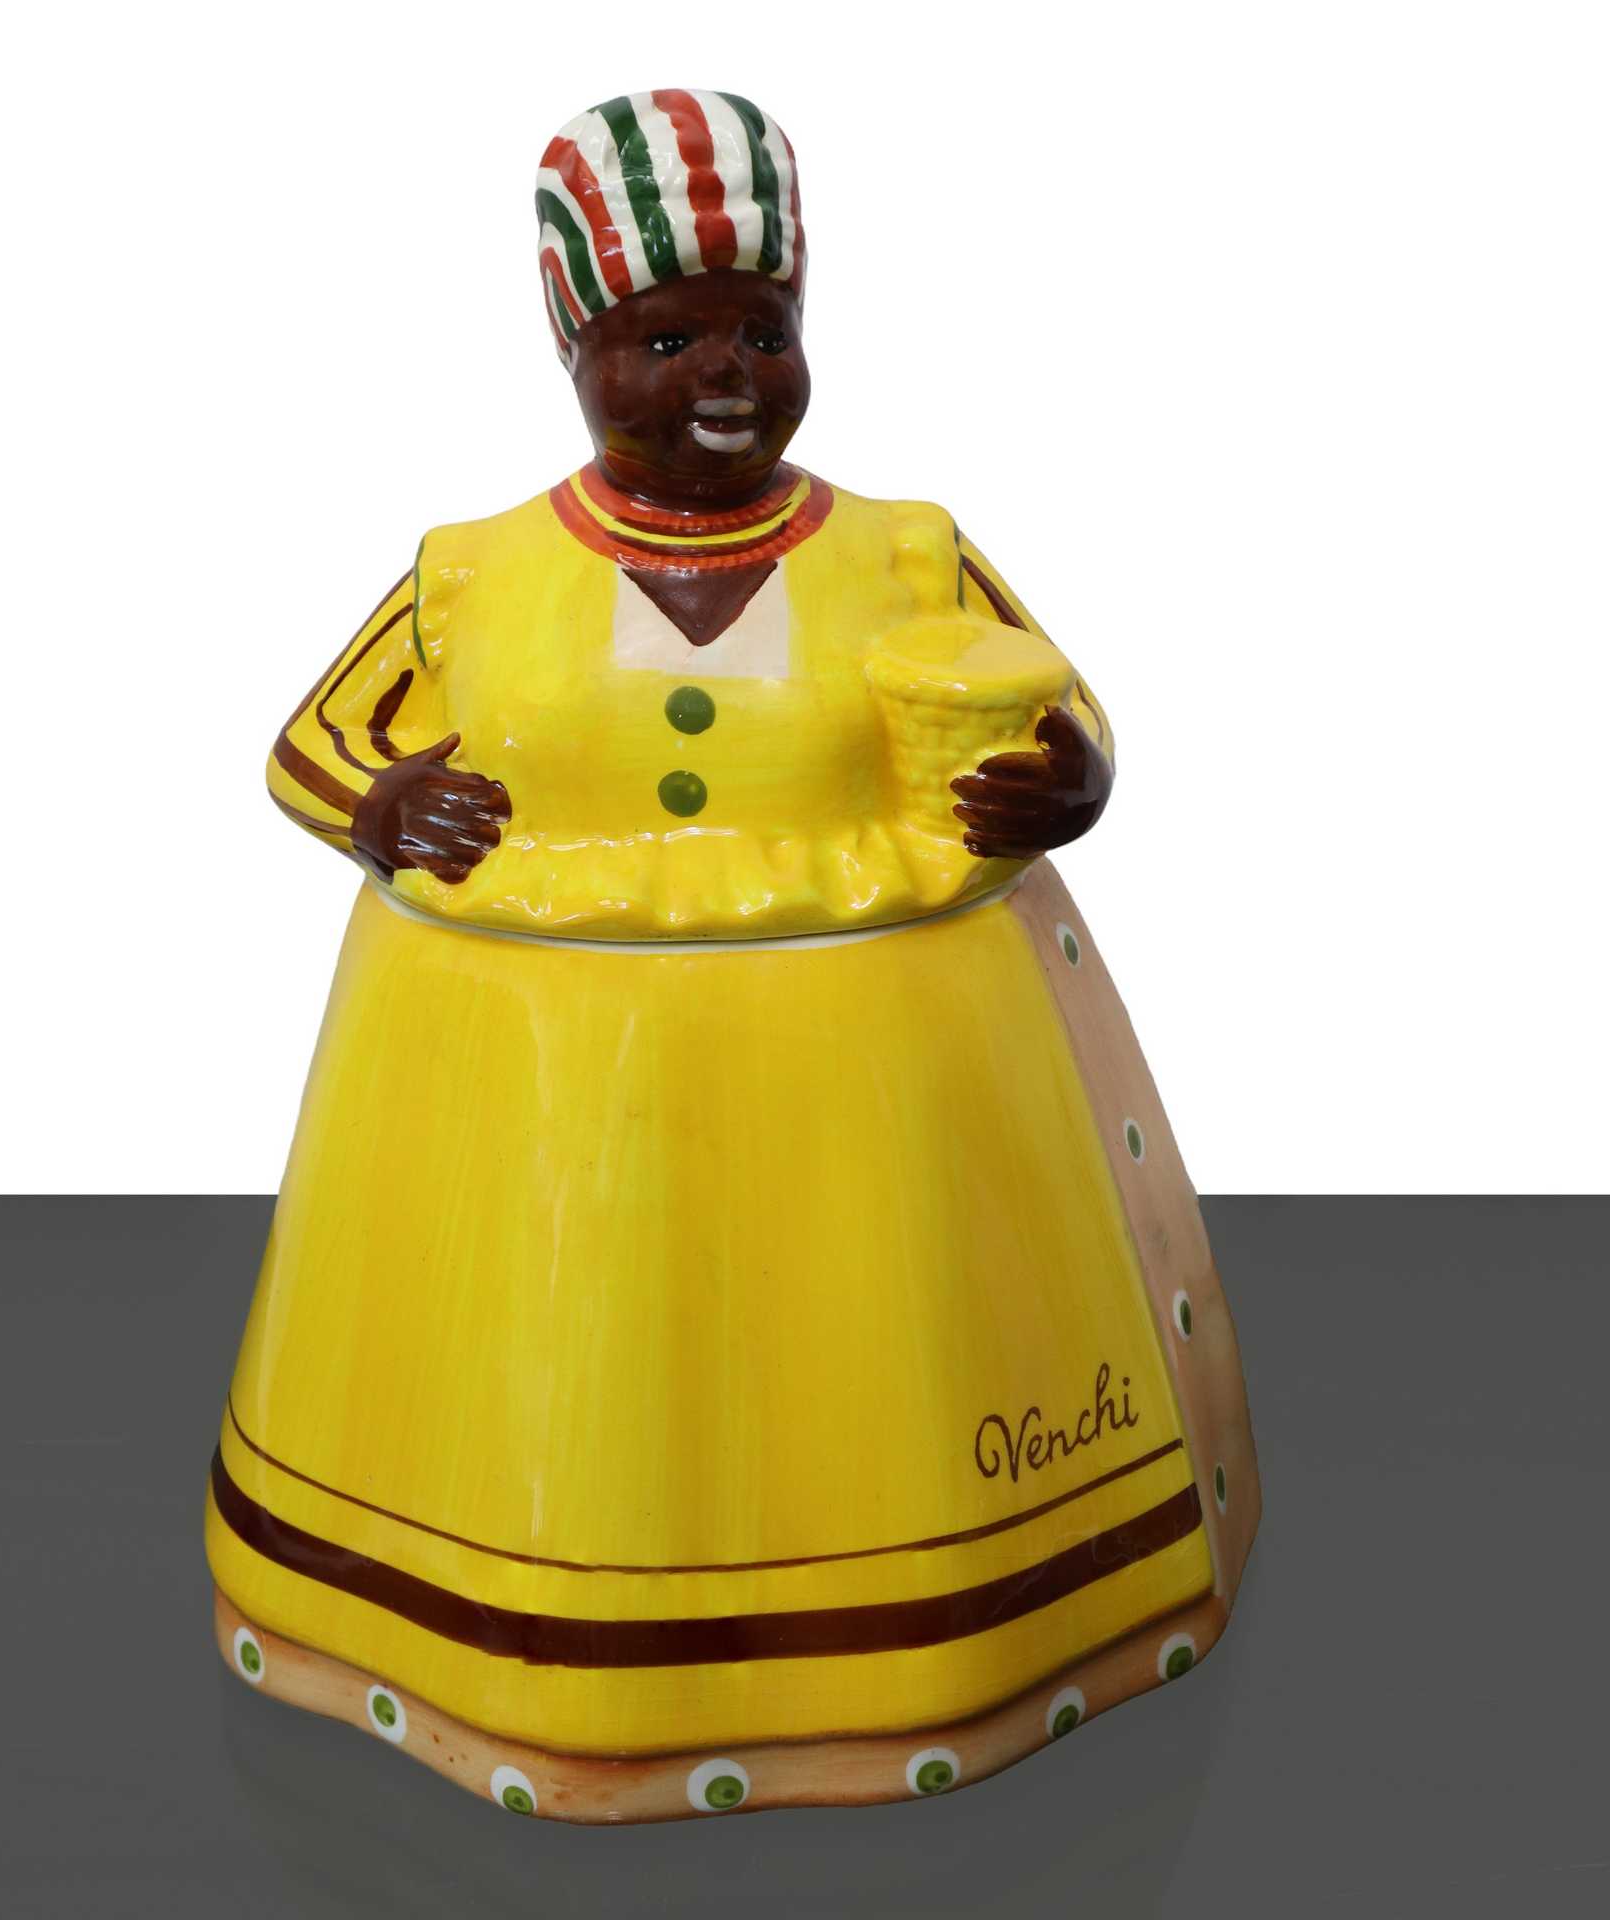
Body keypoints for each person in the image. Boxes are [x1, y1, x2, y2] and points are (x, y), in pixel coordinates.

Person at [207, 90, 1259, 1823]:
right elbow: (314, 743)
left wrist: (1067, 776)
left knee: (872, 1365)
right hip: (542, 1101)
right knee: (574, 1395)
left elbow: (1061, 710)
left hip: (885, 1095)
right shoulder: (474, 574)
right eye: (665, 338)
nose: (725, 374)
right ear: (573, 349)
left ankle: (956, 1629)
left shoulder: (903, 553)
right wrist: (382, 804)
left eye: (763, 333)